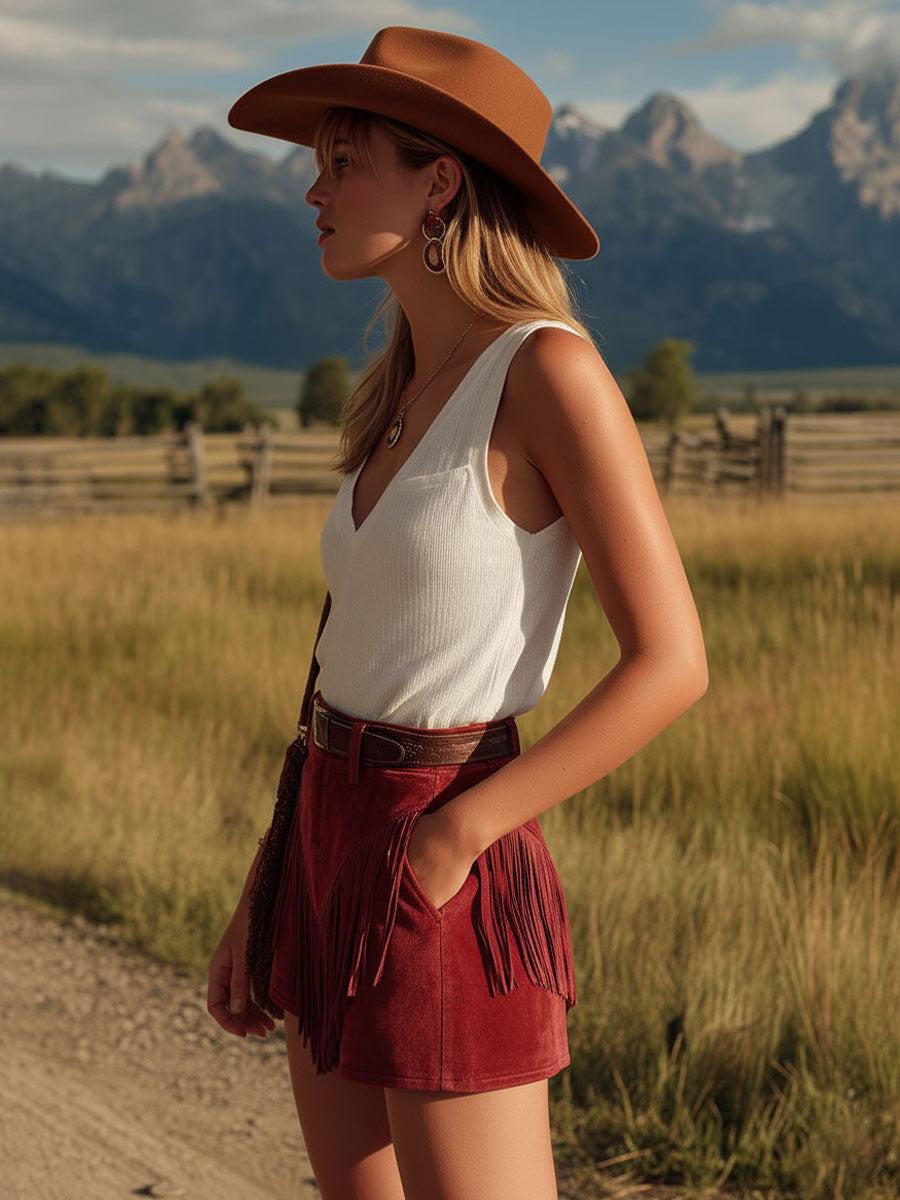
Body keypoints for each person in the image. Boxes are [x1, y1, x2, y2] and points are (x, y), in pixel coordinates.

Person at [207, 25, 708, 1200]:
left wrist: (455, 838)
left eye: (345, 161)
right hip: (326, 823)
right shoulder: (395, 391)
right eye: (318, 165)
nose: (315, 192)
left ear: (439, 183)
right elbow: (354, 657)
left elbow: (673, 661)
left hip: (444, 832)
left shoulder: (548, 373)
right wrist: (273, 877)